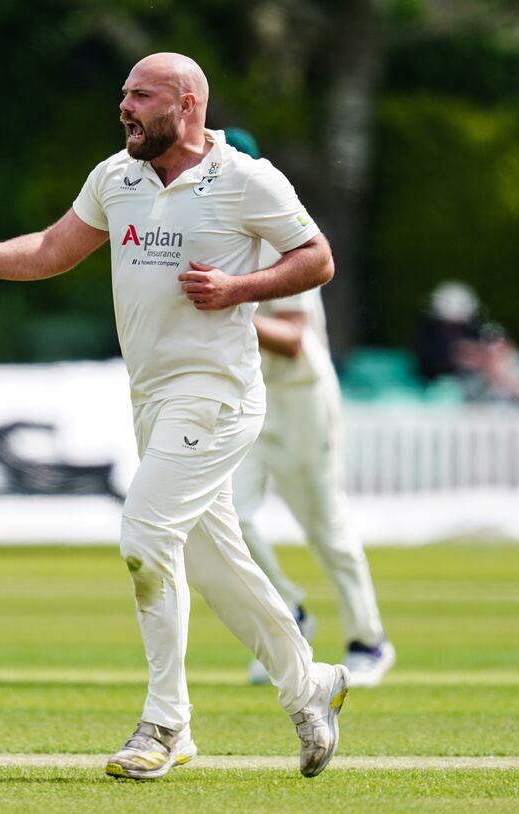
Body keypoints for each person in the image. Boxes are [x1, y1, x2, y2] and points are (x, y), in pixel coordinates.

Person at [0, 53, 350, 781]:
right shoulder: (116, 177)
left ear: (189, 103)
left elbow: (317, 258)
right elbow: (51, 250)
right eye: (123, 95)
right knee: (215, 564)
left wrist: (238, 288)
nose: (126, 107)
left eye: (142, 95)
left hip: (219, 393)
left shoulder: (246, 178)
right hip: (153, 397)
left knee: (143, 536)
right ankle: (310, 686)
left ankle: (165, 724)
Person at [222, 128, 396, 690]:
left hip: (299, 397)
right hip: (248, 395)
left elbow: (294, 336)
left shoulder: (282, 239)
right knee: (226, 515)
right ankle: (289, 612)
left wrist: (229, 305)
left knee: (324, 523)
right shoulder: (217, 234)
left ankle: (369, 639)